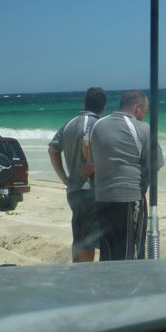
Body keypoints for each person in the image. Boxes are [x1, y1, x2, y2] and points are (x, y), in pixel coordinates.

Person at [88, 90, 164, 261]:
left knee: (108, 251)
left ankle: (109, 278)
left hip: (102, 198)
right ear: (138, 108)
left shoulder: (97, 126)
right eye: (144, 111)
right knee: (133, 253)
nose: (144, 115)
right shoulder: (142, 128)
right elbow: (155, 165)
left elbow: (92, 162)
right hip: (130, 198)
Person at [48, 87, 107, 262]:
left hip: (73, 188)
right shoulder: (97, 124)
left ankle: (78, 272)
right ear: (103, 106)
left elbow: (52, 150)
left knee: (79, 236)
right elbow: (87, 144)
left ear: (84, 102)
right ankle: (84, 275)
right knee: (88, 240)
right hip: (90, 189)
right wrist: (91, 166)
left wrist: (64, 177)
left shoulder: (69, 124)